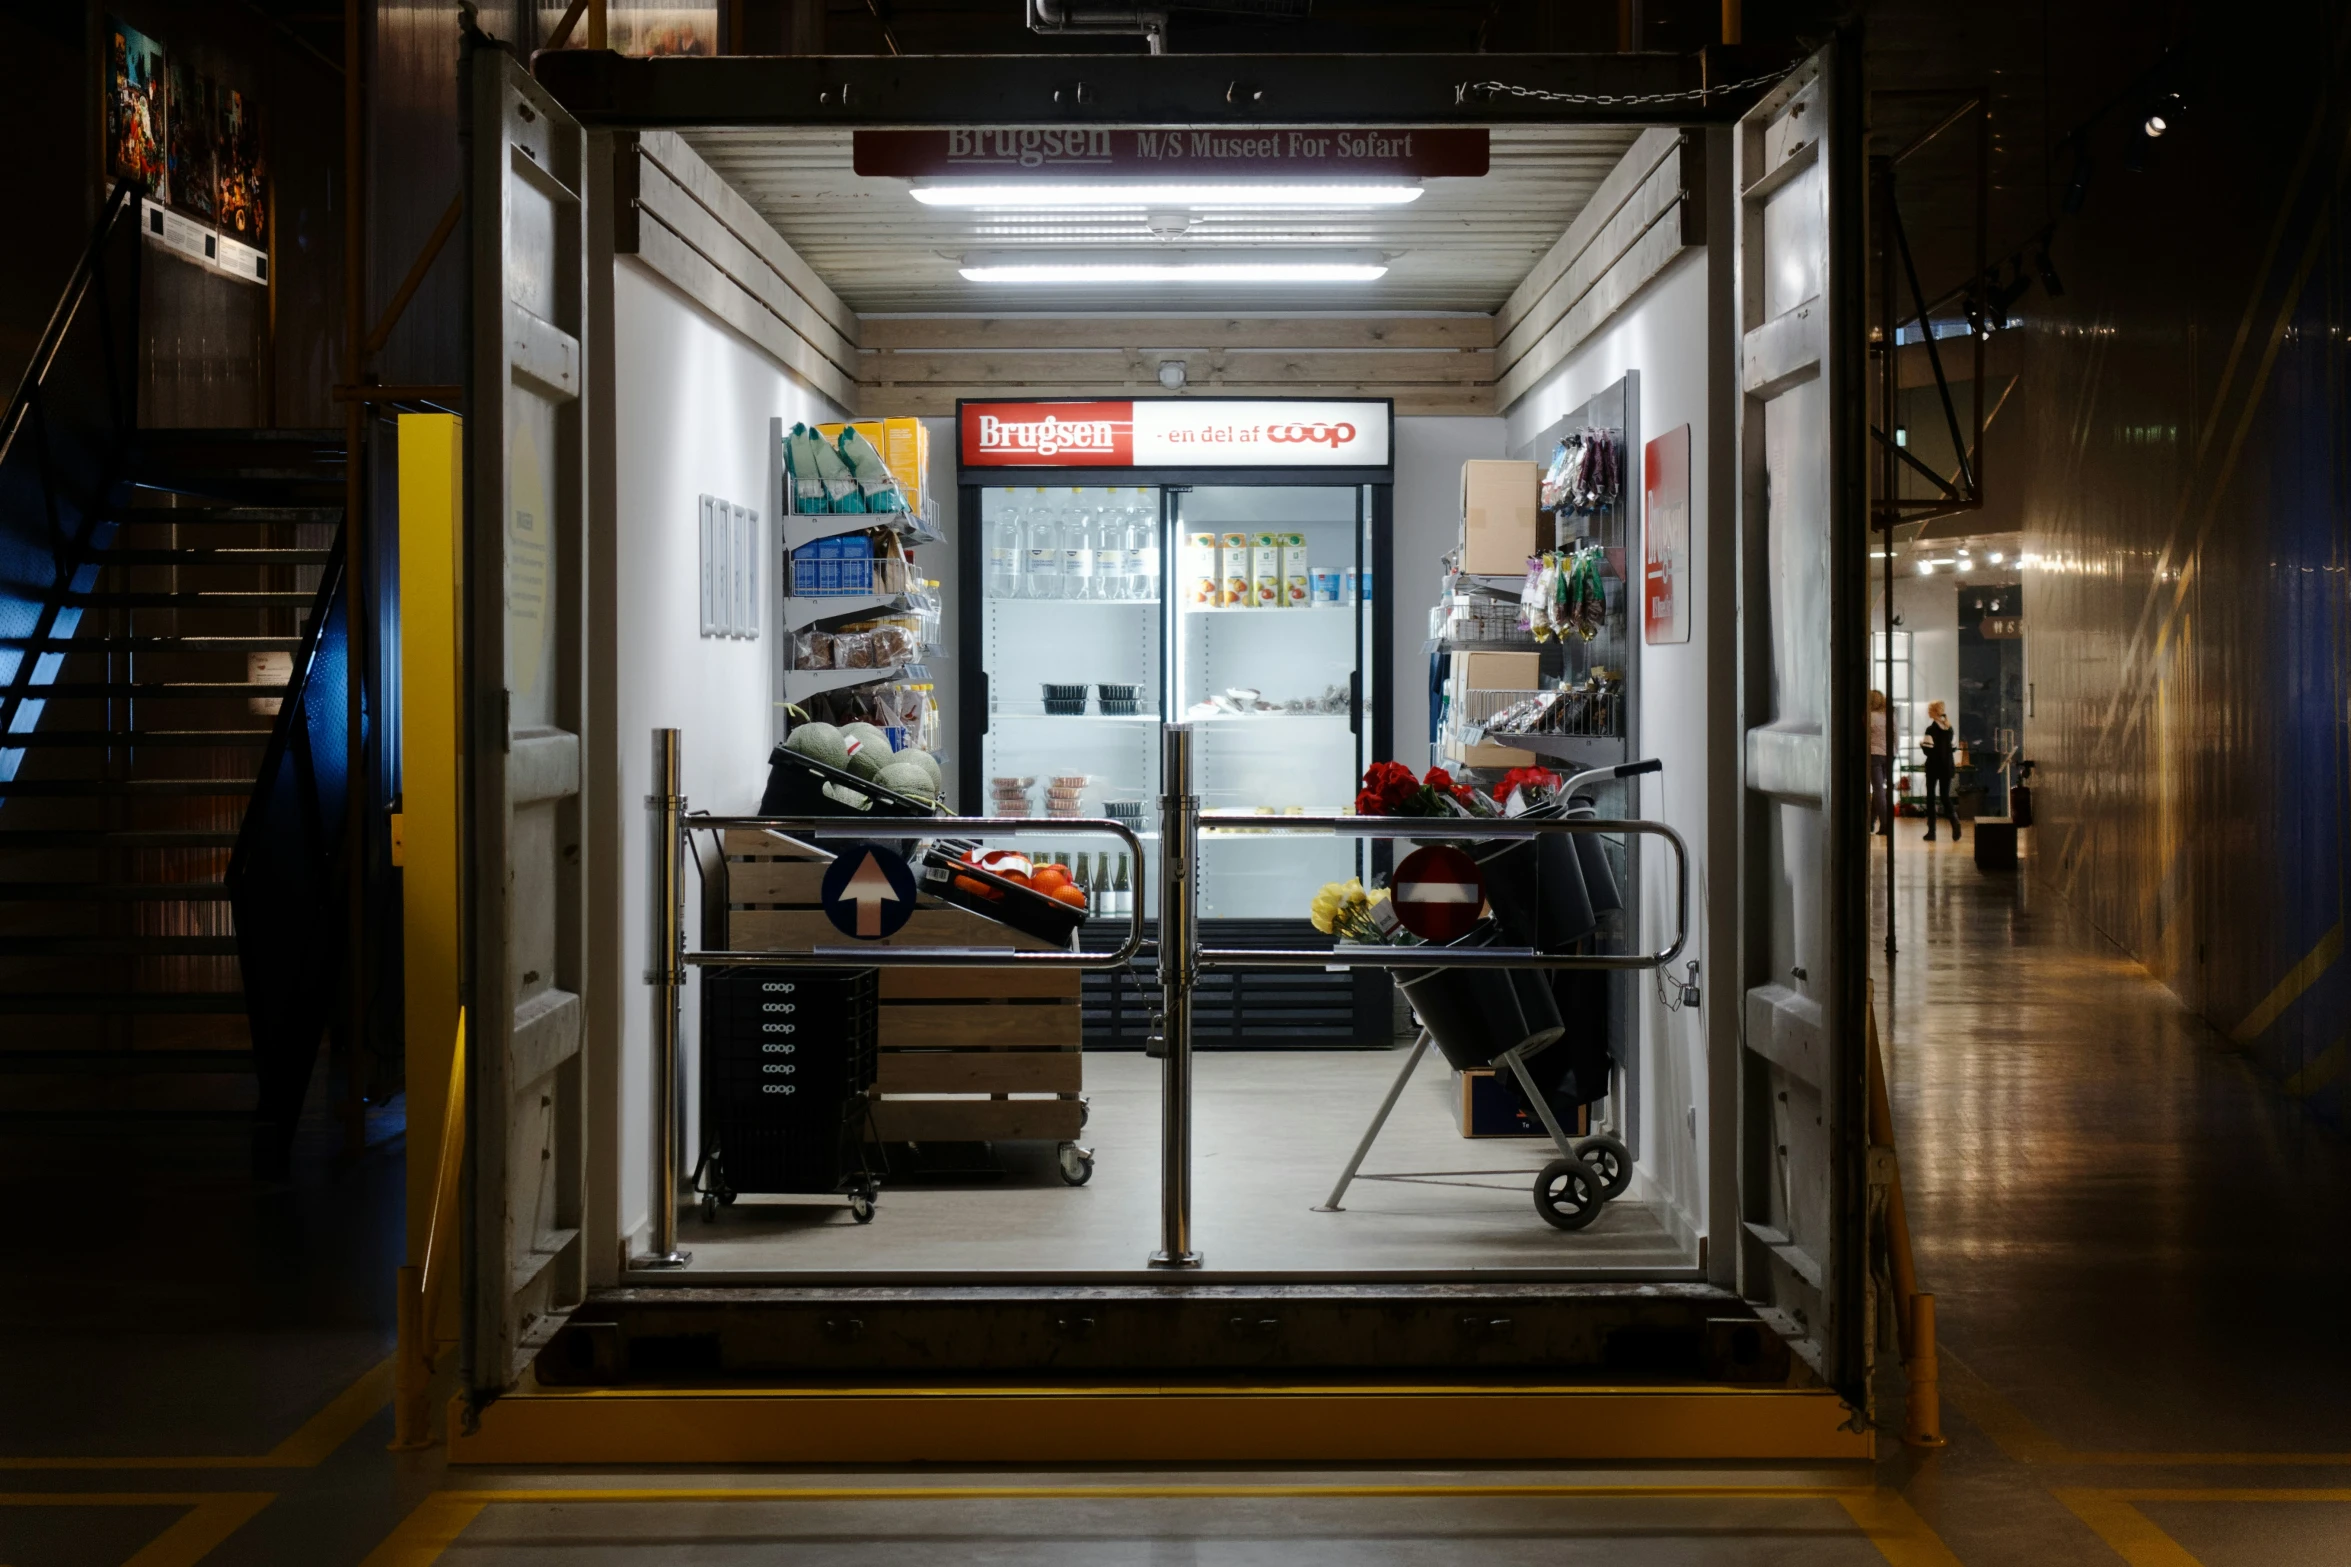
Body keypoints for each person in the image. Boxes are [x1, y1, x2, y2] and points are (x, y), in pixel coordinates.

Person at [1919, 699, 1961, 842]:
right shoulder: (1949, 729)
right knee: (1945, 796)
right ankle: (1955, 822)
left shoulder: (1930, 730)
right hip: (1947, 767)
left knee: (1931, 797)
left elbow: (1928, 751)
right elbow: (1954, 747)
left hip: (1933, 767)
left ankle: (1932, 831)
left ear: (1933, 712)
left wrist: (1922, 745)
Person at [1867, 689, 1893, 836]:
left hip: (1874, 754)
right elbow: (1895, 736)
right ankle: (1871, 823)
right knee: (1879, 791)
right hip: (1887, 754)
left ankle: (1885, 824)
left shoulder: (1870, 717)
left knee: (1878, 790)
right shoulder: (1887, 716)